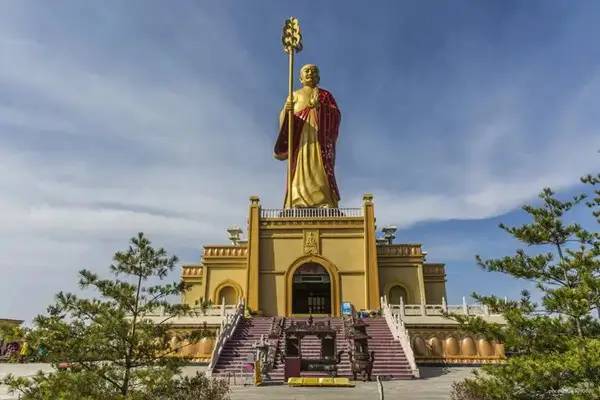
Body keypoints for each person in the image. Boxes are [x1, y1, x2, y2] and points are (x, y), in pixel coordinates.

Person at [274, 64, 341, 208]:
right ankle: (297, 200)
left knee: (319, 168)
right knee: (299, 170)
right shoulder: (294, 95)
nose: (310, 73)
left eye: (314, 71)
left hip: (319, 139)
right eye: (306, 71)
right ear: (300, 77)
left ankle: (323, 200)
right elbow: (284, 124)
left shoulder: (325, 96)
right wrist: (286, 111)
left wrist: (320, 108)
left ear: (318, 77)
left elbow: (335, 115)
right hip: (300, 140)